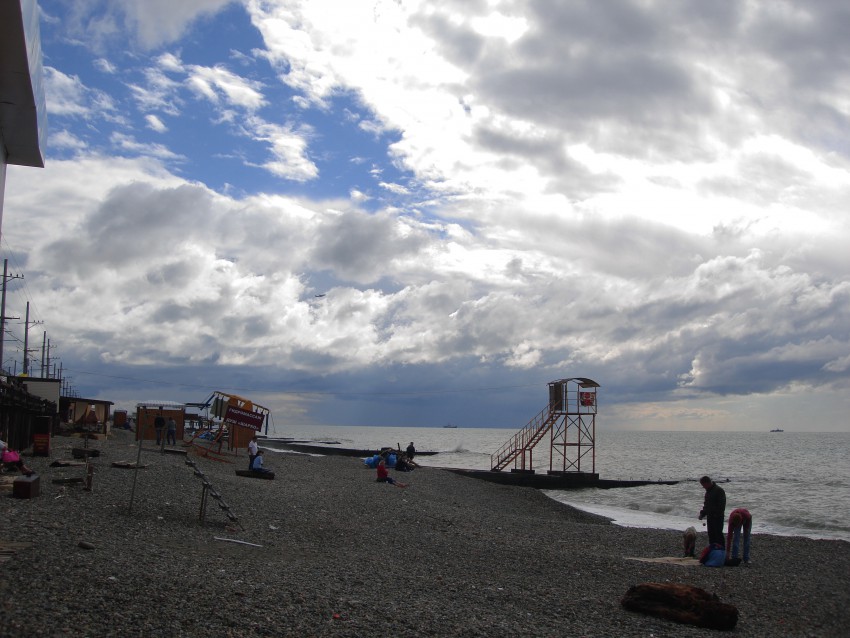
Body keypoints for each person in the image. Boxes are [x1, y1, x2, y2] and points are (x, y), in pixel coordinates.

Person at [698, 476, 726, 546]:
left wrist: (716, 514)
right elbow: (706, 505)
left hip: (718, 518)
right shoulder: (708, 492)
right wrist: (702, 514)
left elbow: (722, 505)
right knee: (711, 535)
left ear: (707, 483)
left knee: (718, 535)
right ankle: (713, 550)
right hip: (710, 517)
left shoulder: (719, 490)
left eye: (703, 485)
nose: (703, 487)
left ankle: (721, 550)